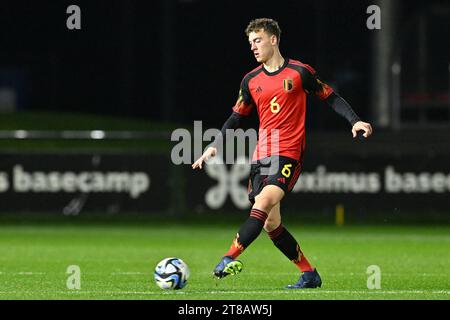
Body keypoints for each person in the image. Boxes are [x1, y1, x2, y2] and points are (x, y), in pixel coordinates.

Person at [192, 18, 372, 289]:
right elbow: (236, 116)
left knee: (262, 204)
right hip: (260, 157)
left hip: (288, 153)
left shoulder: (300, 72)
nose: (253, 47)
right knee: (271, 225)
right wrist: (214, 143)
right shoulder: (250, 80)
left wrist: (355, 120)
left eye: (258, 40)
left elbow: (330, 96)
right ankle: (309, 274)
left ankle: (229, 257)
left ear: (273, 39)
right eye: (250, 42)